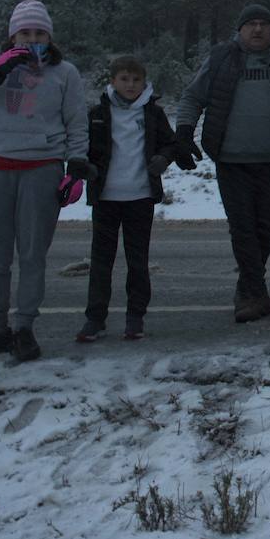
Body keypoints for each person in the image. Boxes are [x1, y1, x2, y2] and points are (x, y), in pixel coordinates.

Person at [0, 0, 91, 363]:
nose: (32, 39)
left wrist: (76, 166)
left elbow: (77, 121)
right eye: (25, 32)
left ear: (49, 36)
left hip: (42, 168)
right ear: (13, 35)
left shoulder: (65, 72)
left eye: (39, 33)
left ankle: (24, 328)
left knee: (32, 255)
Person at [174, 4, 270, 322]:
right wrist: (184, 132)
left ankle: (249, 291)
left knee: (264, 230)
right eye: (251, 24)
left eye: (263, 24)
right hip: (231, 160)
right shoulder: (221, 58)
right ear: (240, 29)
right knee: (243, 229)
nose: (257, 29)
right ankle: (253, 294)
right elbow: (192, 97)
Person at [77, 56, 178, 343]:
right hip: (105, 197)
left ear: (144, 83)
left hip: (140, 196)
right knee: (101, 261)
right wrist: (86, 167)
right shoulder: (97, 113)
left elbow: (170, 143)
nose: (130, 85)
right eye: (124, 79)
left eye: (136, 80)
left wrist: (163, 159)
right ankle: (95, 318)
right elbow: (83, 146)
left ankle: (135, 316)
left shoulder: (153, 113)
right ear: (112, 81)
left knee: (138, 261)